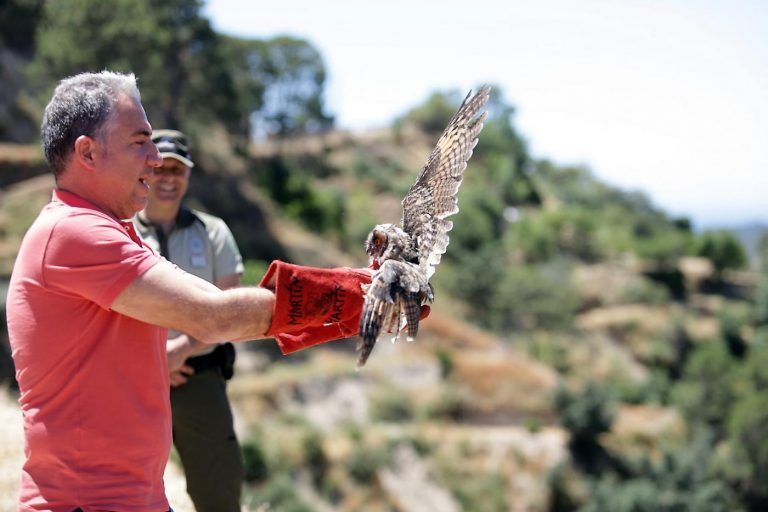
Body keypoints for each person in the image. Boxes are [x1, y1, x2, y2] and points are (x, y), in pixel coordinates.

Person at [6, 70, 370, 511]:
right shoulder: (74, 233)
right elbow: (214, 316)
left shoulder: (105, 231)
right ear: (88, 152)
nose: (156, 158)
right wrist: (360, 295)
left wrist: (356, 300)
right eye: (139, 141)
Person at [134, 129, 245, 511]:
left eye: (177, 170)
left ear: (189, 176)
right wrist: (152, 362)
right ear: (145, 170)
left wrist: (178, 351)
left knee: (220, 486)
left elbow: (232, 311)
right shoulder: (120, 230)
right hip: (129, 379)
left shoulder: (212, 232)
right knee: (121, 488)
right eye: (160, 167)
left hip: (199, 377)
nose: (167, 178)